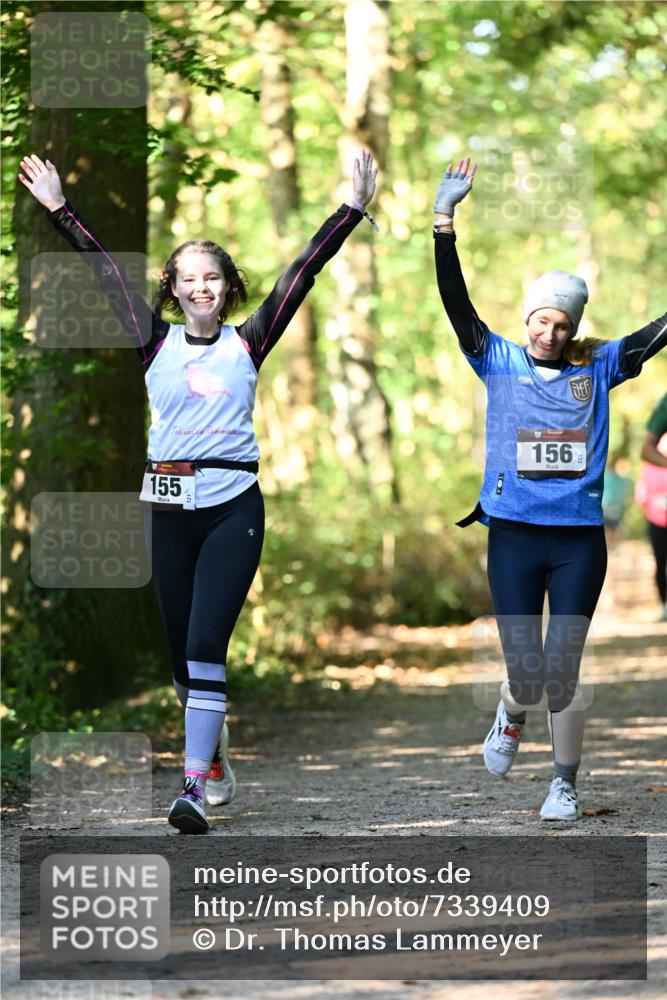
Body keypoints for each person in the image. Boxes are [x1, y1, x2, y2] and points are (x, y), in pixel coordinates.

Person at [19, 150, 378, 834]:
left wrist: (352, 209)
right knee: (180, 657)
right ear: (173, 290)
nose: (200, 287)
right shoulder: (152, 344)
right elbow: (106, 276)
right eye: (188, 279)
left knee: (207, 646)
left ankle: (187, 788)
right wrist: (61, 209)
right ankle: (212, 761)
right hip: (166, 510)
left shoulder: (248, 343)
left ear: (226, 285)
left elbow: (303, 273)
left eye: (211, 277)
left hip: (232, 508)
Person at [433, 157, 667, 821]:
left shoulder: (598, 365)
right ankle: (510, 713)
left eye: (561, 323)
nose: (549, 332)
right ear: (528, 317)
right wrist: (442, 224)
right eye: (540, 319)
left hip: (575, 540)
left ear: (573, 327)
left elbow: (655, 334)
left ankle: (563, 783)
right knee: (527, 669)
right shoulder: (496, 359)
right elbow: (456, 301)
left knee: (561, 667)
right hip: (511, 534)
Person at [636, 393, 667, 620]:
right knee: (660, 563)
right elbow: (642, 492)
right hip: (657, 519)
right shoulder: (652, 467)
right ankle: (663, 605)